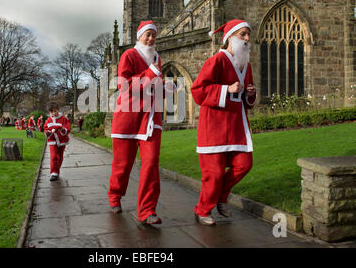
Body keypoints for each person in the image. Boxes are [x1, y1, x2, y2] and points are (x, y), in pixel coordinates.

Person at [108, 20, 175, 225]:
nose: (151, 38)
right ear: (139, 36)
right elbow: (125, 86)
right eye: (147, 34)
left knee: (152, 163)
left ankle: (147, 210)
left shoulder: (157, 58)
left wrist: (166, 89)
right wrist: (151, 73)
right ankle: (114, 196)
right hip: (127, 118)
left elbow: (153, 86)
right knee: (122, 164)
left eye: (154, 35)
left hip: (151, 120)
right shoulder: (128, 55)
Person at [190, 19, 257, 226]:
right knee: (214, 173)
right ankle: (202, 210)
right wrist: (225, 90)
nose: (247, 39)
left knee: (244, 164)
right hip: (215, 125)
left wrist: (250, 94)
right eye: (243, 34)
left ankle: (221, 196)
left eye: (248, 35)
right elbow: (197, 91)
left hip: (237, 125)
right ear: (229, 37)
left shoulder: (246, 65)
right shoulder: (216, 61)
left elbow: (247, 101)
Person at [43, 102, 71, 181]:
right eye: (52, 112)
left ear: (58, 110)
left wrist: (62, 129)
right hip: (52, 140)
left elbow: (68, 128)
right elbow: (45, 128)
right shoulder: (48, 120)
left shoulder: (64, 119)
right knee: (53, 156)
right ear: (49, 112)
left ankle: (56, 170)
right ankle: (53, 173)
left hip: (62, 140)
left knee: (60, 157)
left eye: (55, 111)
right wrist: (47, 132)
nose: (54, 113)